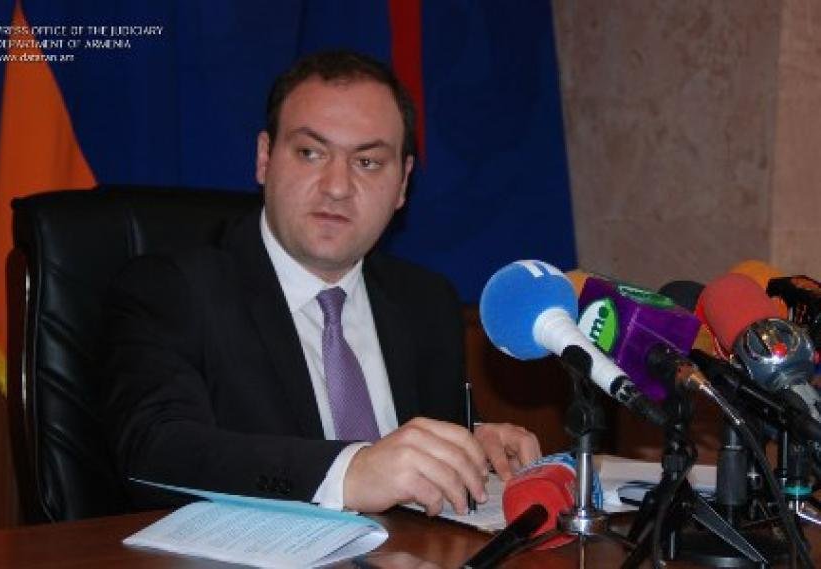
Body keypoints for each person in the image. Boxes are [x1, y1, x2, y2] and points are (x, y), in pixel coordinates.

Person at [104, 50, 540, 516]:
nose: (337, 186)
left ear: (402, 184)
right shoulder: (174, 290)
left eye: (367, 162)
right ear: (264, 158)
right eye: (310, 153)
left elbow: (415, 456)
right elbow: (154, 453)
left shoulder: (426, 301)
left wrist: (468, 448)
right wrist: (349, 472)